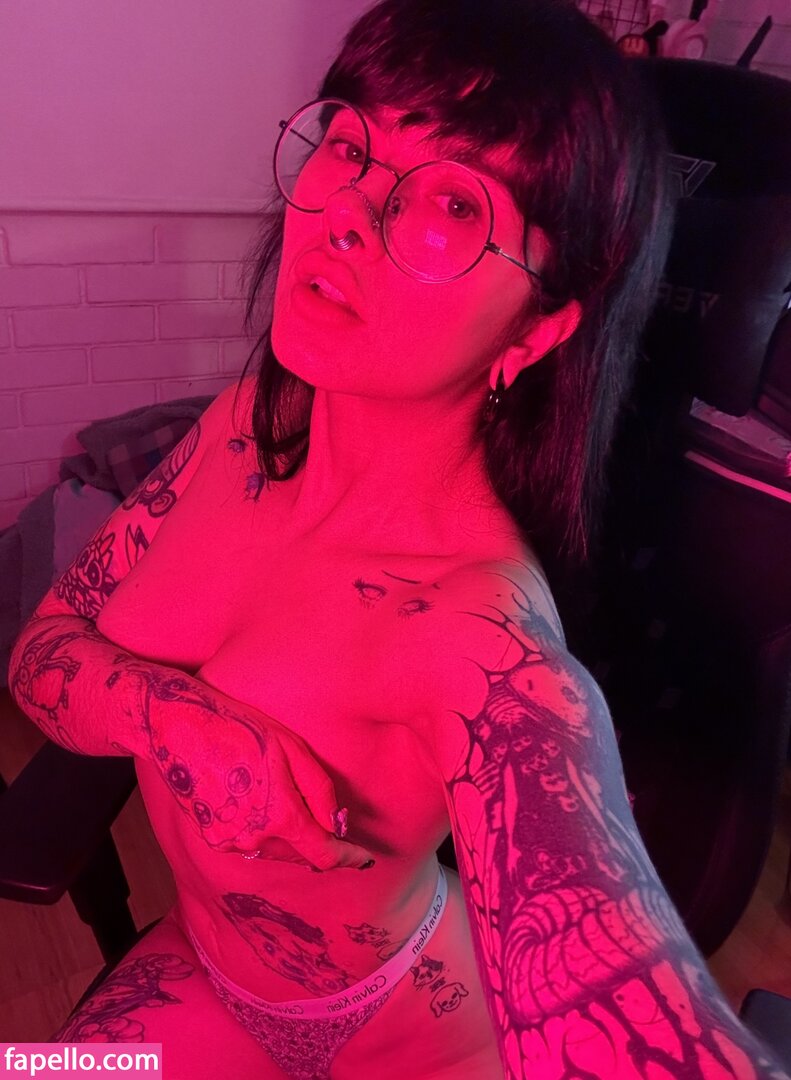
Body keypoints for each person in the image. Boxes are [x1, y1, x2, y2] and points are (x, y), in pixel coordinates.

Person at [8, 1, 790, 1077]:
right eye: (349, 145)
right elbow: (42, 656)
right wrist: (177, 722)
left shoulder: (477, 632)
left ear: (537, 329)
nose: (345, 212)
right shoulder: (240, 427)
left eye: (453, 203)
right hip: (200, 974)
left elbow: (617, 1008)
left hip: (416, 1033)